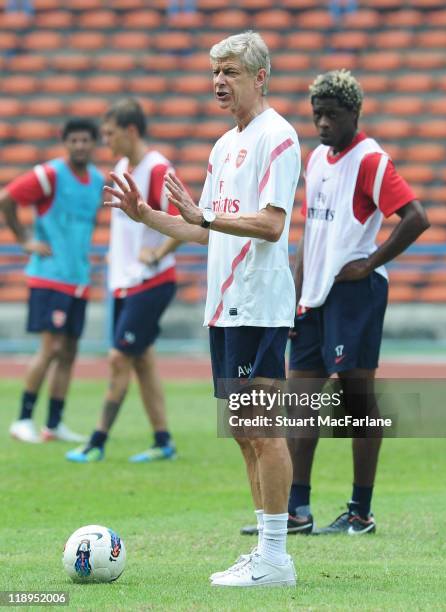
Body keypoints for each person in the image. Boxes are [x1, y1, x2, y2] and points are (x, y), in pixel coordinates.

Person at [103, 32, 301, 587]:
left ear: (260, 78)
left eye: (231, 71)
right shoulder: (222, 146)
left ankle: (277, 558)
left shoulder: (278, 138)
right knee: (242, 429)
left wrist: (205, 218)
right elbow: (198, 227)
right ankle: (266, 551)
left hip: (259, 302)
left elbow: (270, 223)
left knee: (263, 427)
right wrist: (147, 217)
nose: (219, 81)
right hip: (225, 307)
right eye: (215, 71)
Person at [243, 69, 430, 537]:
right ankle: (296, 510)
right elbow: (311, 233)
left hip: (354, 294)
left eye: (332, 115)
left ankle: (360, 511)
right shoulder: (319, 160)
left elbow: (415, 217)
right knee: (302, 400)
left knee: (356, 401)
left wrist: (369, 264)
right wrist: (296, 292)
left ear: (355, 113)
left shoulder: (371, 160)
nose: (322, 123)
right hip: (315, 297)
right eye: (316, 114)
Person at [66, 98, 180, 464]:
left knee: (118, 358)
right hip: (125, 282)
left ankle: (97, 441)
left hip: (151, 280)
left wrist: (158, 253)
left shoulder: (158, 168)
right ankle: (163, 442)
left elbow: (187, 220)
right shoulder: (121, 166)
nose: (106, 141)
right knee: (142, 360)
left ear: (131, 131)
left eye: (110, 134)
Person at [0, 119, 104, 443]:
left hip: (78, 279)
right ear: (64, 141)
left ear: (94, 143)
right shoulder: (49, 175)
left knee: (70, 351)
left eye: (85, 140)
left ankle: (54, 424)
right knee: (50, 348)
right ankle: (22, 419)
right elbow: (6, 198)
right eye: (74, 140)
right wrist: (23, 239)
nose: (79, 146)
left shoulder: (98, 181)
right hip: (49, 277)